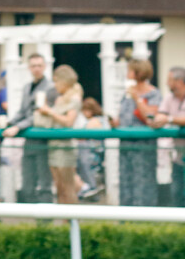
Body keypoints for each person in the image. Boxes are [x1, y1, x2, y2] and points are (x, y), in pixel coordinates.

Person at [2, 53, 53, 202]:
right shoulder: (27, 87)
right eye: (33, 66)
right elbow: (23, 111)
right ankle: (28, 221)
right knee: (27, 182)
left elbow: (38, 115)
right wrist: (10, 122)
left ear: (44, 67)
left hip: (43, 140)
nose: (36, 69)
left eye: (39, 65)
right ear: (29, 68)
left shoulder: (50, 88)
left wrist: (17, 127)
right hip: (29, 141)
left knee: (44, 182)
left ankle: (46, 220)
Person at [110, 59, 161, 207]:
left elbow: (151, 118)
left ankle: (145, 219)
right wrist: (114, 122)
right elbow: (122, 117)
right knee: (126, 181)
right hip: (125, 145)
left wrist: (137, 98)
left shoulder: (153, 93)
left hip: (144, 146)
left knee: (143, 181)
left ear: (137, 73)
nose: (126, 74)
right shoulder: (125, 95)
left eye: (129, 70)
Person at [35, 65, 83, 204]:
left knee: (68, 188)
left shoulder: (74, 99)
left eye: (56, 82)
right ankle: (63, 222)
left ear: (64, 81)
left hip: (65, 147)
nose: (55, 85)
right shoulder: (60, 98)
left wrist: (50, 112)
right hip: (53, 145)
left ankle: (73, 223)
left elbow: (69, 122)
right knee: (59, 188)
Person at [151, 66, 185, 206]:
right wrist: (156, 120)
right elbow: (161, 114)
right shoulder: (169, 98)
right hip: (178, 156)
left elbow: (168, 118)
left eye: (169, 80)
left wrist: (169, 119)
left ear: (178, 81)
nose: (167, 83)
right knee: (177, 194)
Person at [76, 97, 109, 200]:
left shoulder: (95, 121)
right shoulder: (100, 120)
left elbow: (82, 135)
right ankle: (90, 189)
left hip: (92, 154)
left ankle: (91, 189)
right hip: (93, 154)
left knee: (90, 173)